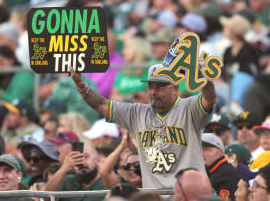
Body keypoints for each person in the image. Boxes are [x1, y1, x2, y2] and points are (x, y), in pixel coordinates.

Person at [70, 62, 216, 188]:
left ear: (175, 88)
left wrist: (202, 78)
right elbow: (102, 105)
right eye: (150, 86)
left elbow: (209, 99)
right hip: (153, 196)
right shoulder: (137, 112)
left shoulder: (189, 108)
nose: (153, 92)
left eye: (160, 87)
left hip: (187, 195)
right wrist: (81, 85)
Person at [201, 133, 240, 200]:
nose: (202, 153)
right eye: (200, 149)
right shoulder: (208, 169)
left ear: (220, 153)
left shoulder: (227, 174)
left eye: (207, 149)